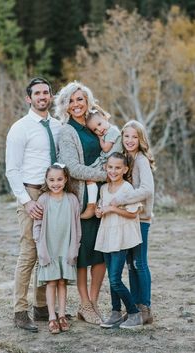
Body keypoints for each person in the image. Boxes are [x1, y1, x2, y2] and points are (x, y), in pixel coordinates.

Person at [5, 77, 62, 332]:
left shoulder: (59, 127)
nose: (42, 97)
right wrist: (27, 202)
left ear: (50, 96)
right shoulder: (20, 128)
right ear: (29, 98)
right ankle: (20, 311)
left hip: (53, 194)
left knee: (47, 252)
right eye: (37, 93)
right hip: (30, 192)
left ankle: (42, 308)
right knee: (29, 252)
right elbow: (12, 170)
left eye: (46, 92)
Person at [54, 81, 107, 325]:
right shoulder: (67, 131)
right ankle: (84, 303)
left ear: (87, 102)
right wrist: (107, 175)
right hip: (83, 199)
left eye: (80, 99)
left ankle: (93, 303)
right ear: (65, 106)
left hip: (104, 198)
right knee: (84, 253)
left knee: (102, 252)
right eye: (71, 101)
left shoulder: (94, 126)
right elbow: (73, 169)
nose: (76, 104)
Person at [110, 120, 155, 324]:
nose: (129, 140)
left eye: (134, 137)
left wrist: (121, 199)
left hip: (141, 219)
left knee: (139, 262)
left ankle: (145, 307)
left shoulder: (141, 160)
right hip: (130, 219)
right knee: (130, 264)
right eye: (126, 136)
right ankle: (135, 306)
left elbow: (147, 189)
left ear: (141, 139)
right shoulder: (127, 158)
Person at [95, 152, 143, 329]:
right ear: (106, 168)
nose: (113, 171)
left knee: (115, 279)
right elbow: (102, 207)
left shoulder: (127, 188)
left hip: (120, 238)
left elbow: (132, 213)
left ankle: (134, 313)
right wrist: (99, 211)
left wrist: (113, 209)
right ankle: (115, 313)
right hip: (107, 235)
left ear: (125, 169)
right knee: (111, 277)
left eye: (117, 168)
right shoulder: (103, 188)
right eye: (110, 167)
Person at [33, 163, 81, 334]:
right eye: (51, 180)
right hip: (49, 248)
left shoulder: (72, 199)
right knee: (51, 282)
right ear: (46, 180)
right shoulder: (43, 199)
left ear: (66, 179)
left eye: (59, 179)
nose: (56, 183)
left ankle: (62, 315)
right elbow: (37, 226)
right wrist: (40, 247)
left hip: (65, 248)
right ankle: (51, 316)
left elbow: (77, 227)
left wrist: (74, 248)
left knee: (62, 282)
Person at [80, 107, 122, 219]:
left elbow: (106, 148)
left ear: (104, 117)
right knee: (89, 175)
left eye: (99, 124)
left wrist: (99, 138)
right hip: (105, 161)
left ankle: (91, 206)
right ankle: (95, 206)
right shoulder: (107, 132)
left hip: (111, 162)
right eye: (95, 130)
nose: (99, 129)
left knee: (90, 177)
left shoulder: (113, 131)